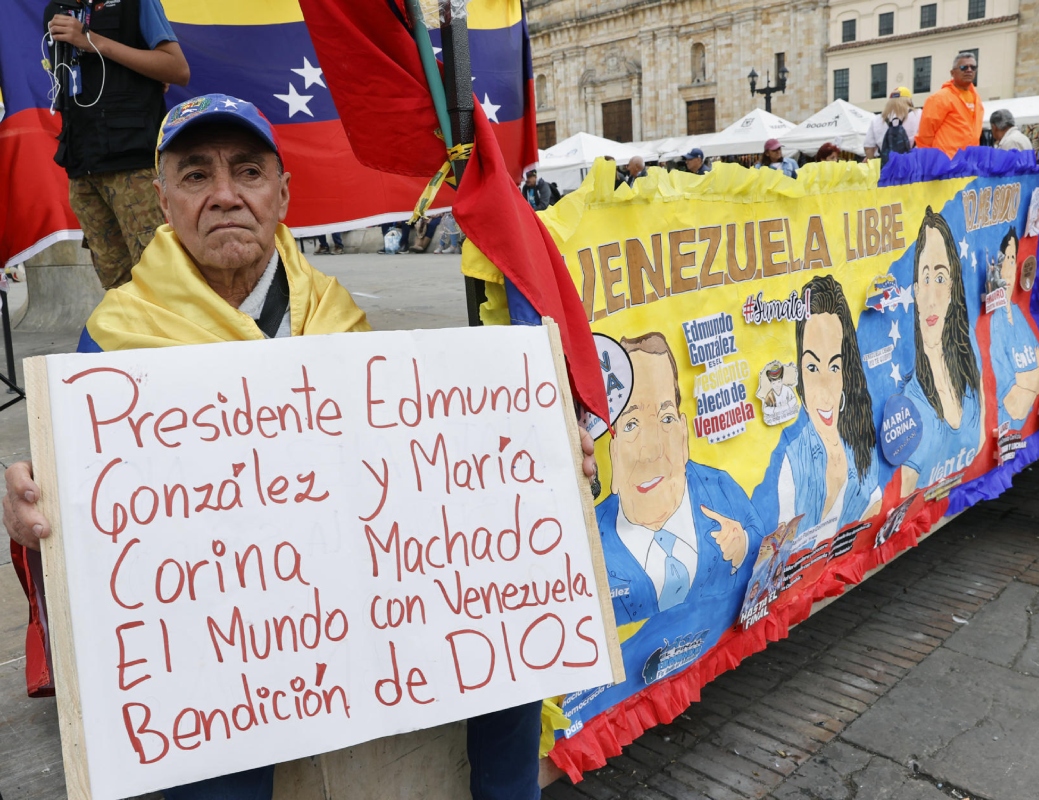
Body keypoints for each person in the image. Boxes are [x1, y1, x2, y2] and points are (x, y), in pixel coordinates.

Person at [2, 92, 595, 800]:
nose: (225, 195)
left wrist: (543, 466)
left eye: (247, 172)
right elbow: (88, 518)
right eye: (196, 175)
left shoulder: (338, 316)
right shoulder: (112, 335)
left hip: (359, 602)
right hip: (223, 634)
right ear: (162, 199)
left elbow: (410, 476)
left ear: (283, 195)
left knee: (502, 643)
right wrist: (40, 518)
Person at [594, 332, 764, 623]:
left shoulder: (721, 491)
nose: (653, 450)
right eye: (631, 425)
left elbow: (765, 543)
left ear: (684, 433)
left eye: (666, 419)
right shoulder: (593, 539)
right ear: (611, 450)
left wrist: (743, 545)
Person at [44, 0, 190, 290]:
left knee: (162, 281)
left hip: (134, 165)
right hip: (82, 166)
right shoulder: (56, 9)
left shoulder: (136, 3)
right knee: (118, 288)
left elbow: (177, 69)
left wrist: (91, 41)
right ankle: (133, 336)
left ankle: (179, 337)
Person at [774, 275, 882, 548]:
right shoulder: (793, 461)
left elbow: (875, 506)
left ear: (846, 372)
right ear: (798, 372)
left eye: (834, 367)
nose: (824, 387)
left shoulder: (860, 443)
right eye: (812, 368)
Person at [900, 208, 984, 493]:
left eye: (940, 278)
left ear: (952, 287)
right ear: (914, 290)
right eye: (925, 278)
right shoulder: (909, 399)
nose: (932, 298)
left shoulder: (969, 363)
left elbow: (982, 443)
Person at [990, 228, 1039, 429]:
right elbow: (1017, 407)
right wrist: (1035, 375)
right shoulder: (994, 323)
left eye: (1012, 259)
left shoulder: (1017, 314)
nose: (1007, 269)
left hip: (1026, 436)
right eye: (1004, 259)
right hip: (1005, 437)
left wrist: (1022, 381)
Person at [915, 52, 984, 157]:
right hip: (946, 164)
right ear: (952, 73)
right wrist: (929, 162)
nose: (969, 70)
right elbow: (925, 136)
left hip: (969, 162)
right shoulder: (939, 98)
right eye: (963, 67)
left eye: (973, 67)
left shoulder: (977, 99)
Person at [864, 86, 921, 161]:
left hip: (886, 167)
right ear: (910, 100)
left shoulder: (877, 119)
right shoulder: (919, 114)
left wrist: (870, 160)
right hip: (911, 165)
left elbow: (868, 147)